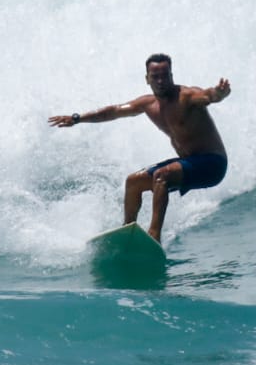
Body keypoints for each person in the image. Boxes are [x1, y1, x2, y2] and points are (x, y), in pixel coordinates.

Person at [49, 53, 230, 243]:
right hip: (189, 163)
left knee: (162, 175)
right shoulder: (148, 104)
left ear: (172, 75)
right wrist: (77, 118)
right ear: (147, 79)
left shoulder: (187, 96)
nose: (161, 81)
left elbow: (208, 95)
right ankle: (128, 233)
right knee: (133, 182)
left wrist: (219, 93)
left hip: (213, 163)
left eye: (165, 75)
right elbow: (113, 111)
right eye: (155, 77)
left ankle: (154, 235)